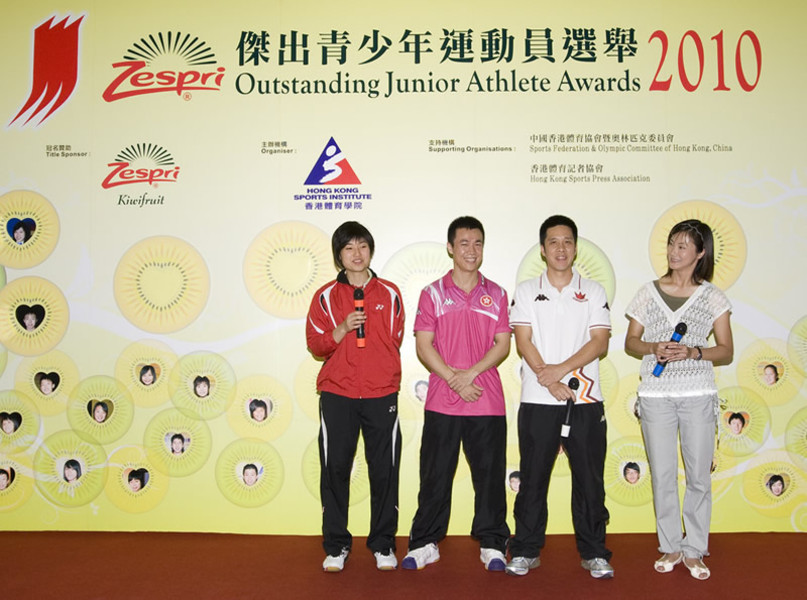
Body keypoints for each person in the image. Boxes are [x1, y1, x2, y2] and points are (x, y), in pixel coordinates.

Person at [505, 215, 613, 579]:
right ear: (542, 249)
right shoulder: (525, 290)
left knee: (589, 480)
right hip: (538, 399)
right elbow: (523, 341)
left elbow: (599, 342)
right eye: (553, 242)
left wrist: (560, 371)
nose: (561, 248)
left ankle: (595, 552)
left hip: (584, 399)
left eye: (567, 241)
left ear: (576, 247)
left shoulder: (594, 291)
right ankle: (524, 549)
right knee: (533, 478)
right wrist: (547, 379)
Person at [625, 218, 733, 582]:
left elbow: (726, 350)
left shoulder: (713, 297)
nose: (674, 252)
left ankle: (695, 548)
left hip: (698, 395)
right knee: (664, 474)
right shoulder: (647, 292)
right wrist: (653, 347)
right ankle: (670, 544)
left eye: (683, 246)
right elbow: (630, 343)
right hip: (655, 396)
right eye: (672, 244)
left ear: (700, 253)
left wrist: (692, 352)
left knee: (699, 475)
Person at [402, 216, 511, 573]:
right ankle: (425, 543)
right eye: (464, 243)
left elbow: (503, 344)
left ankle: (493, 542)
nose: (471, 250)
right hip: (442, 401)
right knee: (434, 476)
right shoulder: (432, 293)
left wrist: (471, 374)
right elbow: (423, 344)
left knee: (490, 478)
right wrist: (453, 378)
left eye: (477, 243)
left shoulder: (496, 293)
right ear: (450, 247)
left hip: (487, 399)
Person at [306, 221, 405, 573]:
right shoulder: (324, 297)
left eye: (362, 246)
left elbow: (394, 339)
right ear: (339, 256)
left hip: (381, 394)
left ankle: (382, 543)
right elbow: (316, 345)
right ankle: (336, 545)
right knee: (335, 470)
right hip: (338, 394)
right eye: (349, 248)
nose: (357, 253)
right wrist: (342, 328)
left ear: (371, 250)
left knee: (385, 470)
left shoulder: (390, 293)